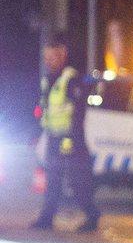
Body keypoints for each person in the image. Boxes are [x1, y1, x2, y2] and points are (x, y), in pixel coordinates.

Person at [30, 36, 95, 232]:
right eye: (46, 58)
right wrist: (37, 133)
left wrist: (70, 139)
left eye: (52, 57)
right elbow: (46, 109)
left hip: (70, 138)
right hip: (53, 136)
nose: (48, 62)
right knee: (53, 179)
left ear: (62, 55)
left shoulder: (70, 78)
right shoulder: (49, 79)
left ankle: (92, 216)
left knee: (77, 180)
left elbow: (78, 112)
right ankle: (47, 218)